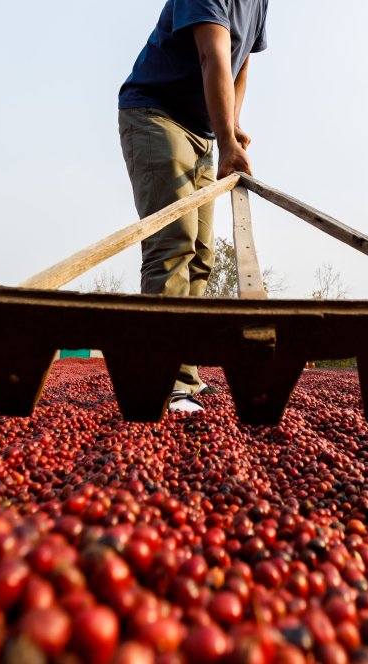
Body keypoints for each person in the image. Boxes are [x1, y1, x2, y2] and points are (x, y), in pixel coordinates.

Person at [118, 0, 269, 413]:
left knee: (202, 255)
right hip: (156, 115)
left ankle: (184, 376)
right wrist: (226, 143)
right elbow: (212, 53)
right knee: (173, 242)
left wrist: (231, 128)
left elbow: (240, 68)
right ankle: (162, 380)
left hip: (202, 131)